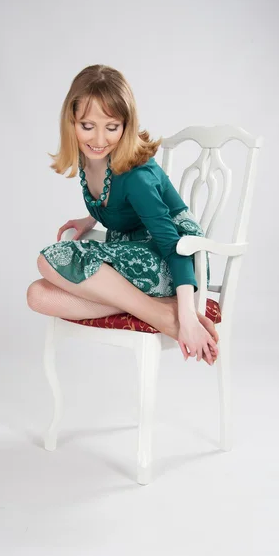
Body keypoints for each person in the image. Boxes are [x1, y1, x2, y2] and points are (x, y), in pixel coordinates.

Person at [27, 64, 219, 365]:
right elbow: (114, 197)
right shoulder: (88, 155)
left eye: (112, 127)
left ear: (126, 125)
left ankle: (168, 314)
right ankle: (156, 309)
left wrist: (187, 313)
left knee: (49, 259)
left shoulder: (137, 176)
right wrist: (92, 217)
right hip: (134, 251)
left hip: (176, 259)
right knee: (38, 296)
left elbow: (174, 245)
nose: (99, 139)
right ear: (71, 121)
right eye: (87, 126)